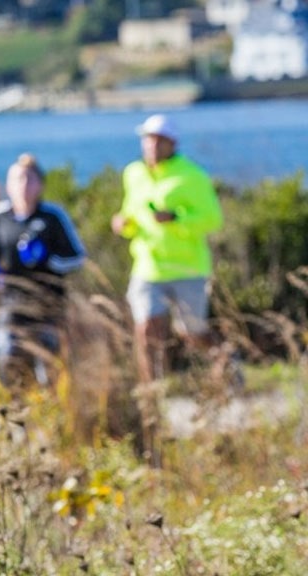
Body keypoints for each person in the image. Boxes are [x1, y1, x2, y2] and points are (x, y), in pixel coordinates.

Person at [111, 114, 227, 387]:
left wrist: (176, 219)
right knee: (147, 329)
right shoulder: (134, 173)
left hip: (187, 266)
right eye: (148, 139)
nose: (152, 146)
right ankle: (152, 391)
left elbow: (213, 220)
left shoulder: (192, 176)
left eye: (159, 140)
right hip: (148, 266)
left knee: (191, 332)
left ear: (172, 143)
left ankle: (226, 365)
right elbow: (132, 214)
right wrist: (123, 224)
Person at [0, 153, 86, 388]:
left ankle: (52, 416)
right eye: (18, 179)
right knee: (7, 359)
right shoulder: (0, 215)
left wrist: (48, 259)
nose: (23, 185)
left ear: (40, 184)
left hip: (48, 305)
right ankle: (18, 414)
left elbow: (77, 257)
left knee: (49, 368)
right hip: (12, 304)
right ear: (8, 184)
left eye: (29, 179)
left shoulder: (52, 216)